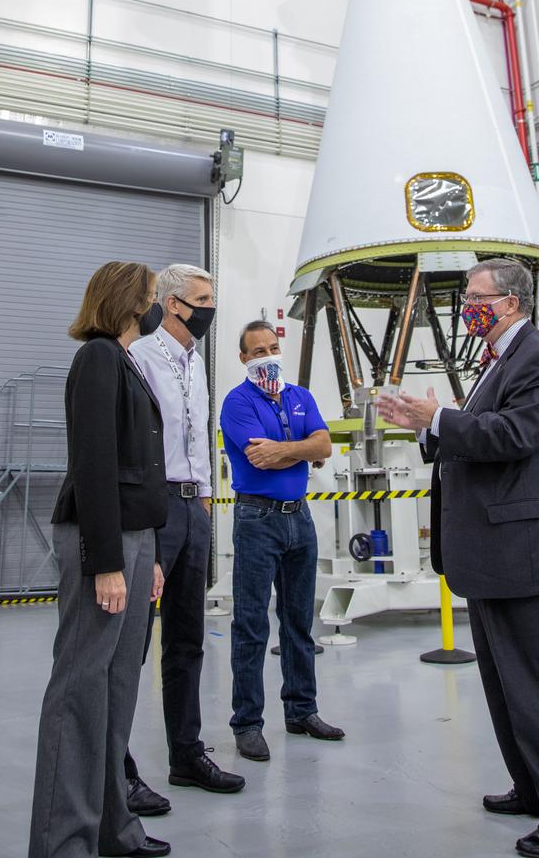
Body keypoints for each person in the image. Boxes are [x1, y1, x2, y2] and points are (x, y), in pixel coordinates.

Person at [378, 258, 539, 858]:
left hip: (531, 554)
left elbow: (511, 437)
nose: (467, 307)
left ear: (511, 302)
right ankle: (534, 788)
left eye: (476, 297)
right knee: (507, 686)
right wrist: (425, 426)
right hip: (497, 554)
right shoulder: (499, 362)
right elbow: (477, 429)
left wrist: (440, 418)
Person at [28, 261, 171, 858]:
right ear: (130, 301)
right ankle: (65, 843)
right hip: (105, 540)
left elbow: (137, 470)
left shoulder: (124, 360)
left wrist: (151, 555)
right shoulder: (98, 358)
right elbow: (94, 464)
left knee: (118, 686)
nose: (159, 303)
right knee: (81, 687)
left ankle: (114, 829)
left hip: (136, 540)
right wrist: (105, 561)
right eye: (153, 294)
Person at [123, 265, 244, 814]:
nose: (210, 307)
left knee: (187, 640)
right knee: (130, 645)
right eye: (203, 299)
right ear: (172, 304)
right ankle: (117, 769)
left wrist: (202, 504)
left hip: (195, 508)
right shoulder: (140, 358)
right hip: (156, 509)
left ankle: (186, 754)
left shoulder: (197, 363)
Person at [220, 319, 344, 762]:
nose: (267, 356)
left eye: (272, 347)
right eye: (257, 351)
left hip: (300, 518)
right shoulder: (237, 403)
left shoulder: (300, 396)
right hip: (257, 518)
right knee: (252, 625)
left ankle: (301, 710)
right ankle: (248, 723)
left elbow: (325, 446)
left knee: (298, 622)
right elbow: (259, 456)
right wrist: (302, 446)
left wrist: (287, 449)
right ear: (243, 359)